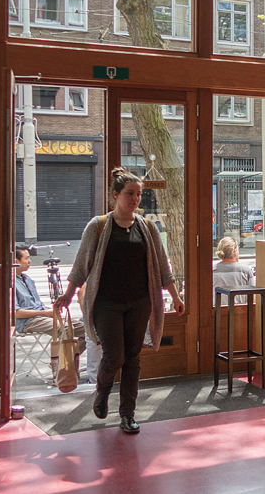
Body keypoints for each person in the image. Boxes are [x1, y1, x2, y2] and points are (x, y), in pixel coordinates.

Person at [56, 167, 185, 435]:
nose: (135, 199)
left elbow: (163, 267)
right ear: (115, 195)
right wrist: (68, 294)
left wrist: (175, 295)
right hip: (106, 304)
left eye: (139, 195)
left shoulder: (147, 227)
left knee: (133, 359)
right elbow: (82, 265)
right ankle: (102, 391)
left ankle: (127, 414)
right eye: (130, 194)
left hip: (140, 303)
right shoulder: (98, 226)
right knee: (114, 357)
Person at [12, 246, 85, 377]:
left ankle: (66, 364)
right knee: (65, 329)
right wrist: (45, 313)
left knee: (88, 330)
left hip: (42, 316)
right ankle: (63, 370)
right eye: (26, 258)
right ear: (16, 260)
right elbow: (16, 313)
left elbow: (38, 304)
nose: (29, 261)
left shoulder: (27, 279)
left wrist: (51, 310)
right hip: (28, 321)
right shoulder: (10, 283)